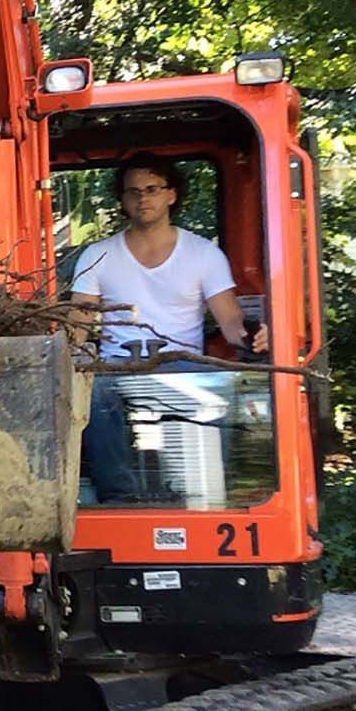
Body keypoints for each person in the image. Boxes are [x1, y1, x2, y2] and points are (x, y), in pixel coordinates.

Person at [70, 156, 269, 501]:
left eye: (152, 190)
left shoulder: (203, 254)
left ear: (171, 195)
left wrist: (256, 336)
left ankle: (205, 494)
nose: (142, 199)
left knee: (214, 395)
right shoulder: (98, 255)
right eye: (132, 192)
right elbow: (77, 326)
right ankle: (119, 499)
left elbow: (231, 322)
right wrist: (70, 354)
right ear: (122, 200)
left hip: (183, 366)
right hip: (117, 366)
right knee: (93, 391)